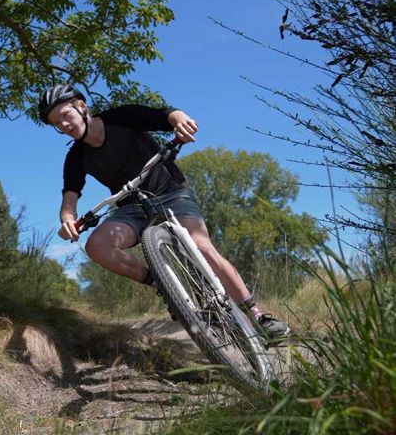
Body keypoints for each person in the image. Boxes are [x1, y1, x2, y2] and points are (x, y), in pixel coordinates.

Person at [39, 83, 290, 340]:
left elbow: (165, 115)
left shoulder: (121, 117)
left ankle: (258, 316)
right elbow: (70, 196)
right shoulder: (76, 157)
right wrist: (67, 220)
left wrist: (181, 121)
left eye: (65, 115)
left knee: (202, 247)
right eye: (57, 123)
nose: (64, 125)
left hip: (170, 192)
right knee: (97, 246)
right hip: (131, 208)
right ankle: (163, 284)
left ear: (82, 107)